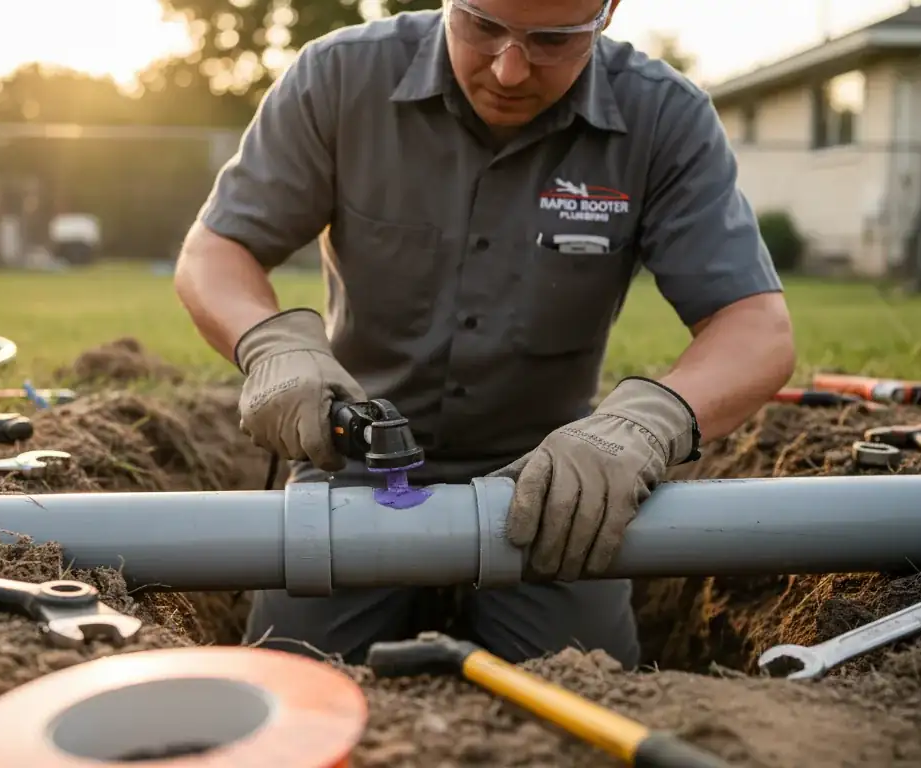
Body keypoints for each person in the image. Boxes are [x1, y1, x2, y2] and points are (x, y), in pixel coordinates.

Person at [173, 0, 795, 668]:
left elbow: (756, 328)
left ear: (608, 12)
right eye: (482, 26)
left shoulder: (663, 118)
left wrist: (648, 423)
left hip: (552, 488)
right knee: (286, 685)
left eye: (553, 40)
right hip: (353, 468)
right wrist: (271, 342)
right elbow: (215, 250)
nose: (508, 69)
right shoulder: (339, 77)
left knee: (593, 694)